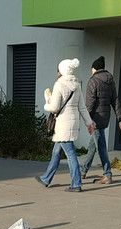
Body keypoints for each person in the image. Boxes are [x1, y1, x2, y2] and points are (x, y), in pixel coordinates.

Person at [36, 58, 94, 192]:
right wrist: (89, 122)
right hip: (73, 123)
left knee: (70, 154)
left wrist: (47, 102)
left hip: (62, 124)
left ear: (62, 70)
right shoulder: (77, 85)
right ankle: (46, 178)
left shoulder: (59, 84)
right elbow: (82, 107)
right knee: (56, 152)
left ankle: (76, 184)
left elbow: (54, 107)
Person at [83, 56, 121, 185]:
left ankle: (107, 175)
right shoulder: (110, 80)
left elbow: (90, 104)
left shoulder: (93, 80)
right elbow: (115, 101)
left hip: (95, 119)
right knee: (93, 145)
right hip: (105, 118)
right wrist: (120, 118)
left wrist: (88, 120)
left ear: (94, 68)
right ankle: (83, 170)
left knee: (101, 147)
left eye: (91, 69)